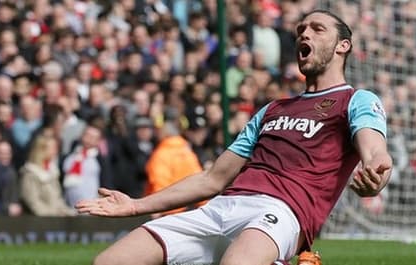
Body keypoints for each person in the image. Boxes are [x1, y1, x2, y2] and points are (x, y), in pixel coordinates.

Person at [76, 10, 391, 265]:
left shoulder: (355, 99)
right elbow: (213, 179)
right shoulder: (272, 109)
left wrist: (377, 172)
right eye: (301, 29)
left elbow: (375, 150)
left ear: (342, 46)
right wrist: (136, 206)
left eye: (317, 29)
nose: (304, 34)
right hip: (219, 207)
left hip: (281, 212)